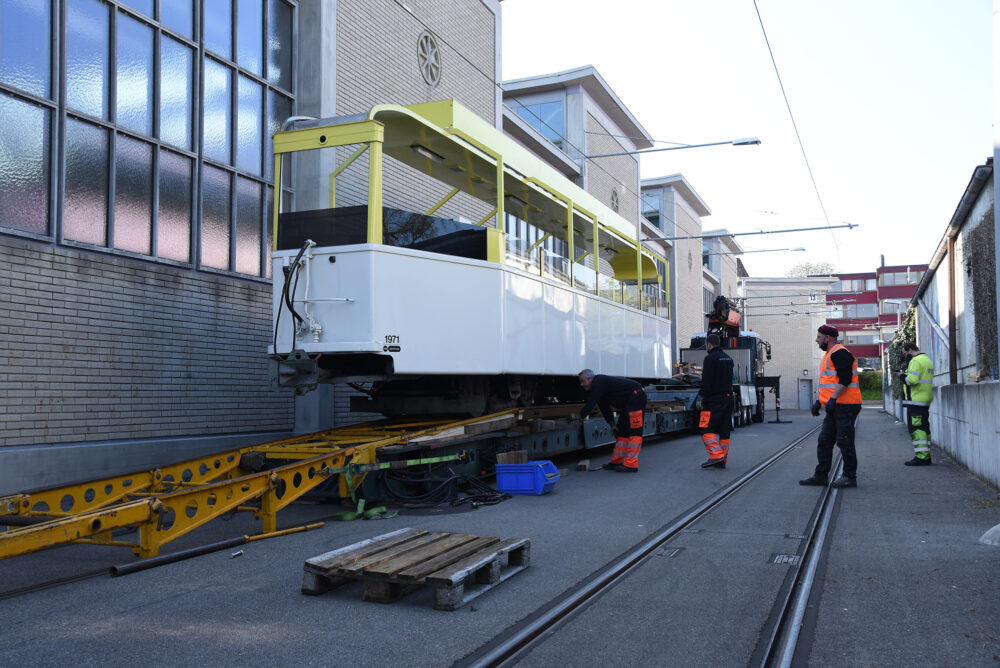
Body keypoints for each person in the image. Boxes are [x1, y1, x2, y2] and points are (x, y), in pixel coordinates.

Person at [800, 324, 863, 488]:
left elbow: (845, 379)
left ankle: (850, 477)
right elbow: (830, 383)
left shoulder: (840, 353)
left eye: (819, 337)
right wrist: (819, 402)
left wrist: (833, 399)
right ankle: (820, 476)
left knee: (844, 440)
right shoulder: (829, 354)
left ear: (827, 338)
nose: (817, 340)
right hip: (836, 405)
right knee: (824, 440)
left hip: (846, 405)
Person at [577, 369, 647, 472]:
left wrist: (579, 416)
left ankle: (631, 465)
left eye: (583, 381)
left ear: (590, 379)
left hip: (637, 397)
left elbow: (591, 403)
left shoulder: (599, 381)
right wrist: (612, 423)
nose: (581, 384)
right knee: (621, 431)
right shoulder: (598, 388)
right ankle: (617, 461)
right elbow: (604, 407)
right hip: (629, 401)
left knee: (635, 431)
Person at [698, 334, 734, 469]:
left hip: (714, 399)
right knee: (724, 430)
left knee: (705, 426)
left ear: (709, 344)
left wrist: (701, 397)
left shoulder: (710, 358)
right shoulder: (728, 358)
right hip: (728, 398)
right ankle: (722, 459)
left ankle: (716, 455)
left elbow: (706, 382)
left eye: (706, 345)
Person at [898, 341, 934, 466]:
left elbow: (912, 380)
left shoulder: (915, 361)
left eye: (905, 353)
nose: (905, 356)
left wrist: (901, 376)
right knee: (924, 428)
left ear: (910, 350)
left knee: (917, 429)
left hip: (916, 400)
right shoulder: (927, 360)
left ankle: (922, 457)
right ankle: (926, 455)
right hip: (925, 399)